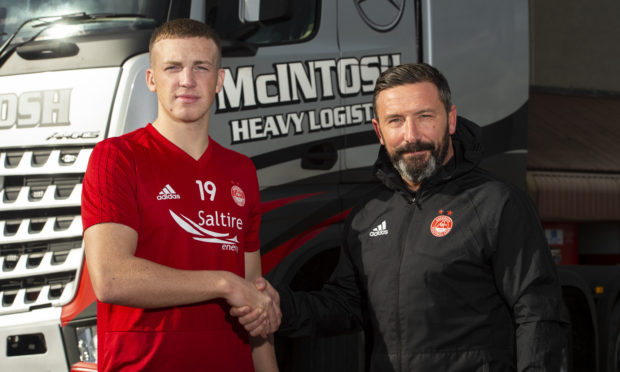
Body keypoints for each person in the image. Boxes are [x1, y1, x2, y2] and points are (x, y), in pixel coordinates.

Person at [233, 63, 569, 371]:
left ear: (450, 120)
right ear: (379, 132)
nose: (412, 135)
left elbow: (538, 311)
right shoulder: (367, 215)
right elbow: (346, 306)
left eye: (425, 116)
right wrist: (280, 307)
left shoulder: (497, 203)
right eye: (396, 120)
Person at [81, 19, 279, 372]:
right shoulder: (116, 157)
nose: (186, 80)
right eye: (172, 67)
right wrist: (223, 282)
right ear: (152, 79)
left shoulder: (241, 170)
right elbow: (111, 278)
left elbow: (254, 299)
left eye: (201, 67)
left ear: (219, 81)